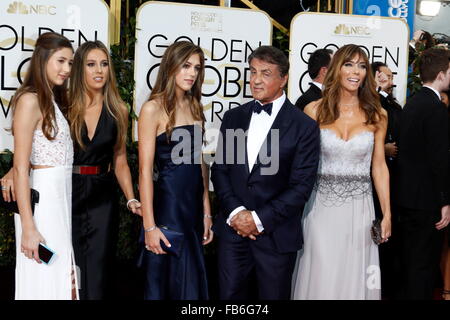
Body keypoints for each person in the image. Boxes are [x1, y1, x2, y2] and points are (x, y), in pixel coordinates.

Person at [211, 45, 320, 300]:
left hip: (276, 235)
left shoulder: (303, 126)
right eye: (253, 72)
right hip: (233, 232)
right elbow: (221, 170)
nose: (256, 80)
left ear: (284, 79)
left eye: (266, 73)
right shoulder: (234, 117)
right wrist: (238, 213)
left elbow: (301, 187)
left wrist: (258, 219)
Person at [292, 44, 392, 300]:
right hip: (319, 209)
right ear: (336, 69)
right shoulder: (314, 110)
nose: (355, 71)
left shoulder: (377, 114)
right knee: (321, 272)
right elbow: (300, 164)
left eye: (361, 66)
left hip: (359, 209)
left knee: (354, 274)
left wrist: (387, 213)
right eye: (349, 64)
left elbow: (379, 167)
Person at [138, 41, 213, 300]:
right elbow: (145, 172)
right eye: (185, 66)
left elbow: (200, 164)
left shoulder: (195, 107)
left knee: (190, 286)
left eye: (196, 68)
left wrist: (206, 212)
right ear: (170, 66)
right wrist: (149, 227)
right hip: (167, 209)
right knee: (165, 282)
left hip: (192, 211)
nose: (191, 73)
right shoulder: (152, 108)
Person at [68, 41, 141, 300]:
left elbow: (120, 158)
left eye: (104, 64)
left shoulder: (119, 109)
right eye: (91, 64)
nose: (99, 70)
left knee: (98, 269)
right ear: (79, 69)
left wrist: (131, 197)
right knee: (69, 268)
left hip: (102, 196)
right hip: (67, 193)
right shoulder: (64, 106)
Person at [10, 32, 78, 300]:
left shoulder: (51, 99)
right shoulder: (29, 100)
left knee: (61, 277)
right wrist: (28, 226)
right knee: (45, 273)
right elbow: (19, 167)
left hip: (61, 201)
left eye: (71, 63)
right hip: (42, 205)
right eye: (61, 61)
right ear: (42, 59)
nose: (67, 69)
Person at [393, 48, 450, 299]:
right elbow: (439, 159)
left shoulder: (412, 102)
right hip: (427, 201)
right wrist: (445, 200)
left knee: (410, 261)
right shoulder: (435, 108)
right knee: (424, 265)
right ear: (441, 74)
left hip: (406, 197)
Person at [371, 62, 402, 299]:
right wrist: (383, 148)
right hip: (370, 184)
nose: (391, 81)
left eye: (391, 77)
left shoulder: (393, 104)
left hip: (392, 179)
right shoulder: (374, 104)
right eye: (387, 76)